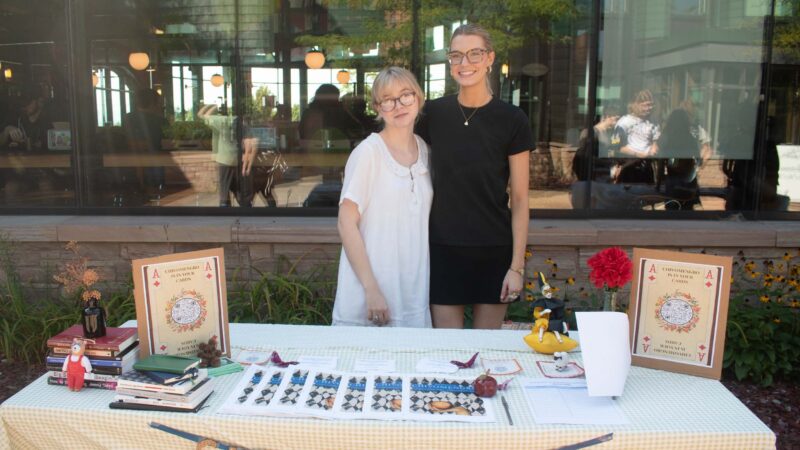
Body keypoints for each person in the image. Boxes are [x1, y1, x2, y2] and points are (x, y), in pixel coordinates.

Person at [417, 24, 532, 329]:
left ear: (489, 58)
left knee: (487, 352)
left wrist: (516, 267)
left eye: (474, 54)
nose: (464, 63)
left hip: (493, 249)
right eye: (456, 56)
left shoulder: (513, 119)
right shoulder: (432, 114)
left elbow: (520, 199)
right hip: (442, 247)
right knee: (446, 351)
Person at [332, 66, 432, 328]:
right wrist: (371, 289)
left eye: (405, 95)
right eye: (387, 100)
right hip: (372, 296)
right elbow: (346, 223)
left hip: (412, 293)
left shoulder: (425, 151)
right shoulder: (369, 153)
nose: (398, 105)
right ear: (378, 108)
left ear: (418, 98)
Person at [198, 104, 254, 207]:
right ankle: (246, 207)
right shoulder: (242, 123)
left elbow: (201, 114)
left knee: (224, 189)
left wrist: (213, 105)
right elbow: (249, 142)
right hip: (238, 160)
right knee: (239, 188)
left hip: (224, 159)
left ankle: (225, 208)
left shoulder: (219, 121)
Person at [612, 89, 660, 184]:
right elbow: (616, 146)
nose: (649, 108)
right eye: (645, 105)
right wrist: (639, 155)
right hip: (629, 167)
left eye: (651, 104)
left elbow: (655, 141)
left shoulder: (654, 122)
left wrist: (654, 149)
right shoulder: (623, 123)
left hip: (647, 168)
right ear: (635, 104)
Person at [657, 108, 702, 210]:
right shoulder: (690, 138)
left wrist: (658, 184)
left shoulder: (665, 138)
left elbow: (661, 162)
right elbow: (699, 160)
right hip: (688, 180)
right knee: (687, 212)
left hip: (672, 180)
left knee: (671, 213)